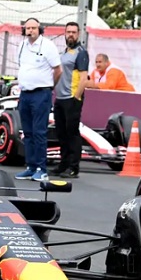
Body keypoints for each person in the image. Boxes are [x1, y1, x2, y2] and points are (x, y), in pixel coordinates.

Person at [14, 17, 60, 181]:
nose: (31, 31)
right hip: (25, 93)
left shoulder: (48, 46)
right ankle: (31, 166)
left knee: (39, 131)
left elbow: (58, 70)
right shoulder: (21, 46)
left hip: (41, 94)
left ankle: (42, 168)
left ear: (40, 29)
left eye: (34, 28)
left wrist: (49, 86)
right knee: (27, 132)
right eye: (28, 28)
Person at [53, 22, 89, 178]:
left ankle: (74, 167)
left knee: (72, 133)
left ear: (78, 34)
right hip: (60, 98)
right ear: (64, 33)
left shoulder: (81, 53)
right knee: (61, 133)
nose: (71, 35)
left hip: (72, 98)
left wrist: (76, 98)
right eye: (68, 32)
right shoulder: (64, 53)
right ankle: (64, 164)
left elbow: (84, 78)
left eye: (74, 32)